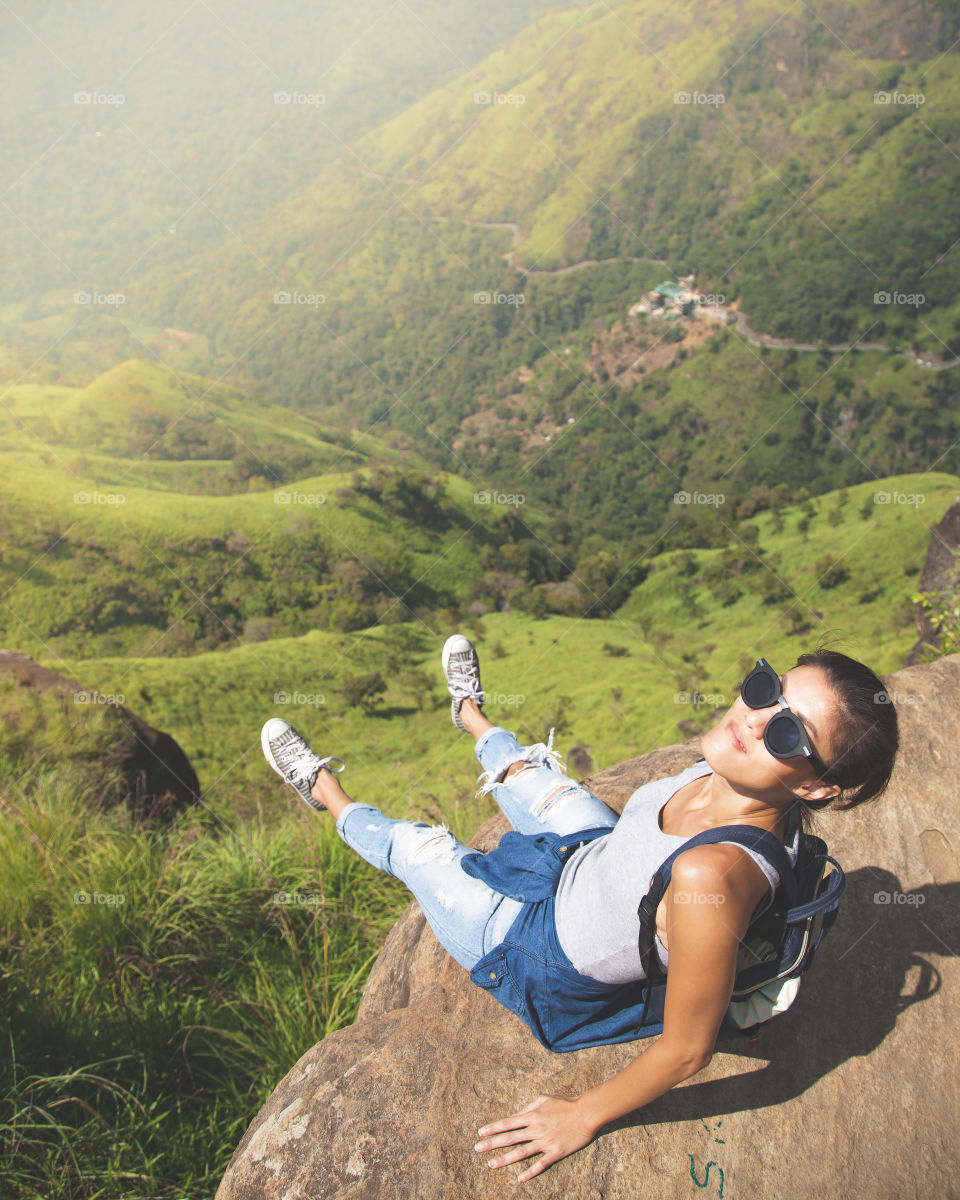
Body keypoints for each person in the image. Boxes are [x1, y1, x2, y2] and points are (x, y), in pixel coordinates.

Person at [260, 635, 898, 1183]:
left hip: (538, 949)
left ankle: (324, 791)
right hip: (585, 860)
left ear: (816, 787)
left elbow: (687, 1048)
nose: (755, 718)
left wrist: (583, 1114)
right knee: (526, 771)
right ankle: (470, 713)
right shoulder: (730, 775)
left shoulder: (714, 872)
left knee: (419, 847)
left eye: (789, 732)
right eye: (766, 689)